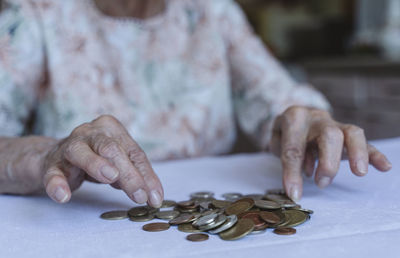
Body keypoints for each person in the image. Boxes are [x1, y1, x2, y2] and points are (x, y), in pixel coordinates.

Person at [0, 0, 391, 208]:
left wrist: (310, 121)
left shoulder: (212, 10)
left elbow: (277, 96)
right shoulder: (37, 13)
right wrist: (47, 154)